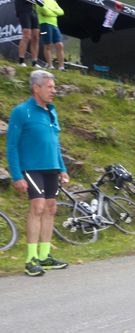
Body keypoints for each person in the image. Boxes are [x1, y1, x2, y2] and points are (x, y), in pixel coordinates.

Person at [6, 70, 69, 276]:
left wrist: (63, 169)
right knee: (38, 206)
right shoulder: (21, 111)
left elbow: (55, 143)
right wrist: (16, 175)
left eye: (54, 87)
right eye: (49, 87)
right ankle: (30, 259)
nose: (54, 90)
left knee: (51, 208)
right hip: (31, 168)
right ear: (36, 88)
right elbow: (12, 146)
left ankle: (45, 256)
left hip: (52, 167)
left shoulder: (52, 111)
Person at [36, 0, 65, 70]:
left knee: (60, 45)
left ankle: (61, 67)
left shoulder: (53, 1)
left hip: (54, 25)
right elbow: (45, 11)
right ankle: (50, 65)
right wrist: (55, 12)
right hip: (44, 24)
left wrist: (50, 10)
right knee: (48, 45)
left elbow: (61, 12)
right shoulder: (39, 1)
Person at [15, 0, 44, 67]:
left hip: (33, 11)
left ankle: (34, 62)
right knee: (26, 35)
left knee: (36, 37)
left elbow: (42, 3)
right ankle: (21, 61)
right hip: (23, 10)